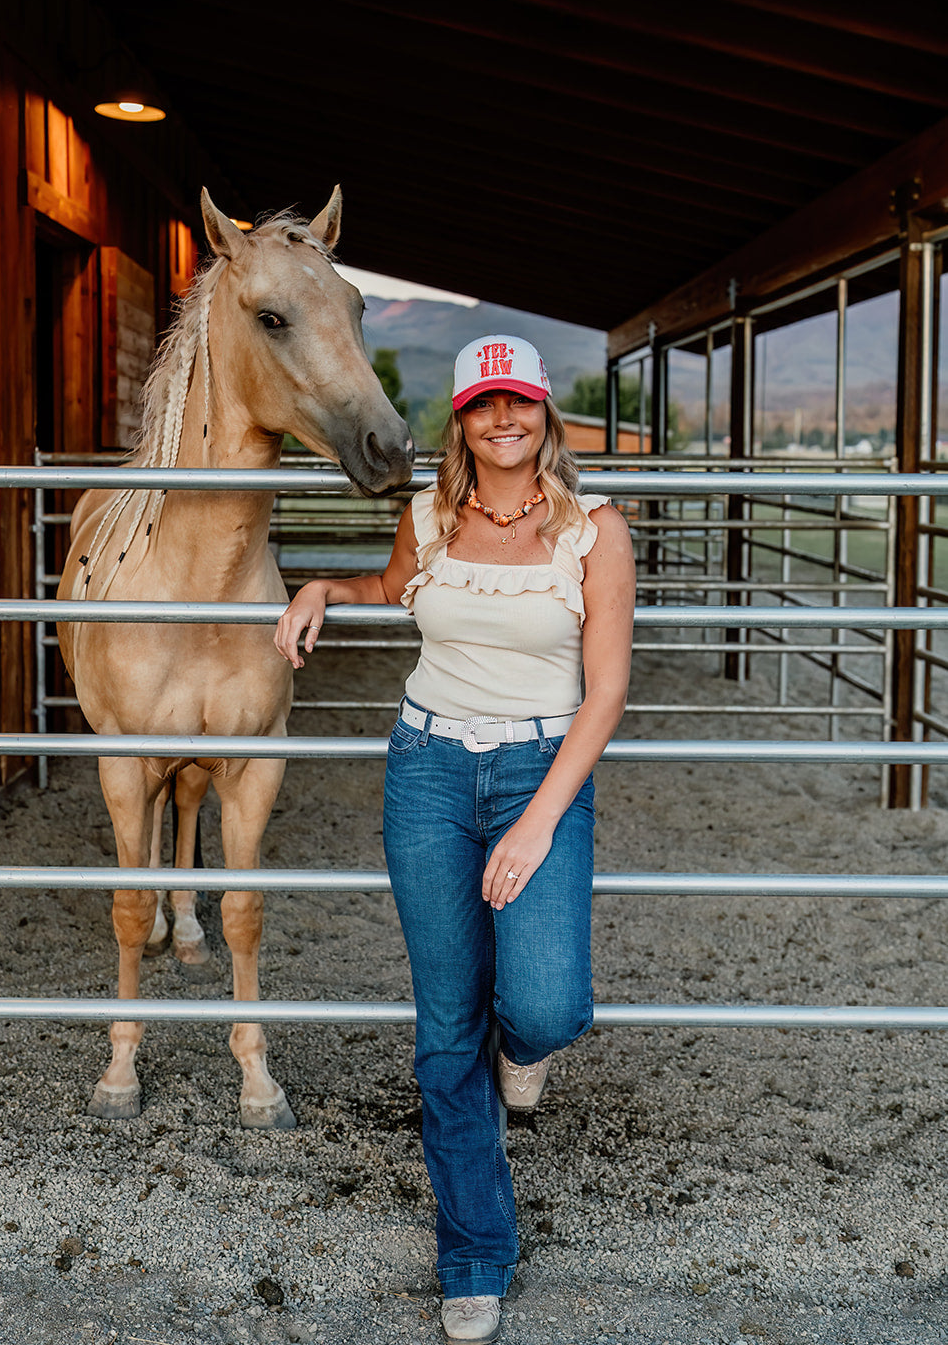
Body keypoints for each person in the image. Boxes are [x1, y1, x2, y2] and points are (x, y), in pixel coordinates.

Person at [275, 334, 635, 1344]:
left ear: (543, 413)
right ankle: (472, 1250)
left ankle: (522, 1054)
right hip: (426, 770)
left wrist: (533, 819)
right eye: (483, 404)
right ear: (462, 421)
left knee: (546, 1003)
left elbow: (603, 694)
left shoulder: (593, 532)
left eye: (518, 399)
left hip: (539, 770)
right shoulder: (427, 516)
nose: (502, 419)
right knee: (443, 1026)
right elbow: (391, 588)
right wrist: (321, 590)